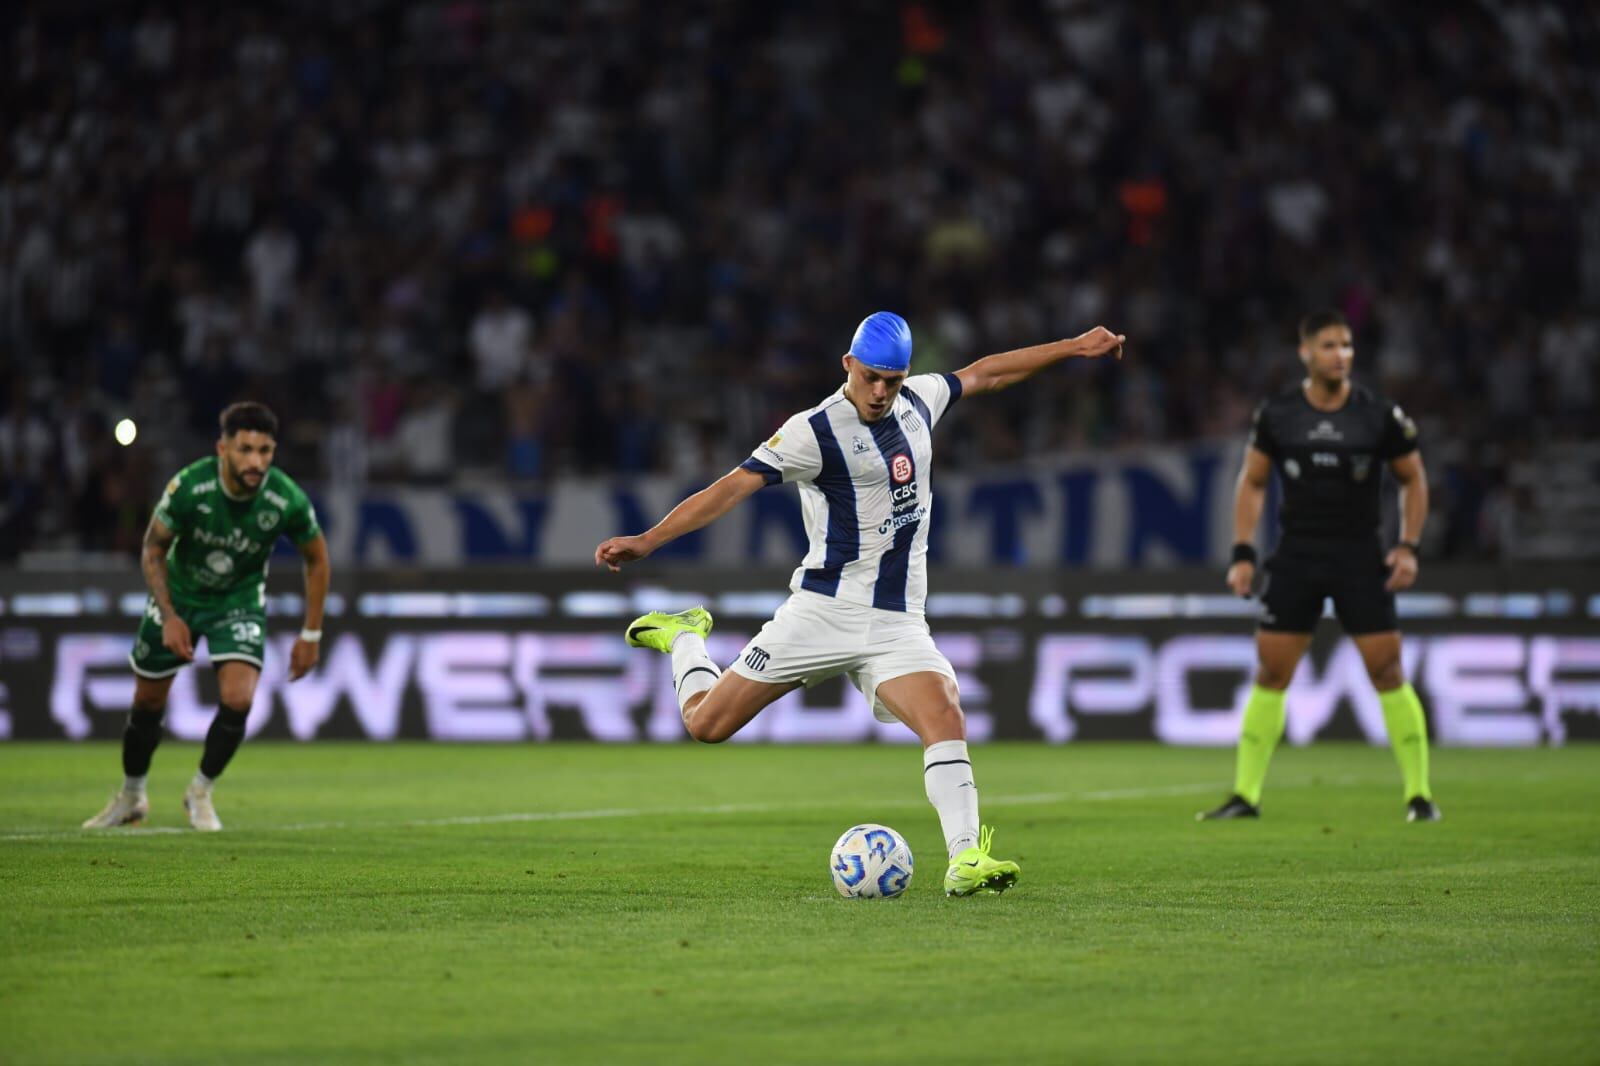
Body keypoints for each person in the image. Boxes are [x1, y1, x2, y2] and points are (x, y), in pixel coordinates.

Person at [595, 312, 1126, 895]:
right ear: (848, 365)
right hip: (822, 612)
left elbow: (986, 374)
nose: (880, 392)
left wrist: (1073, 346)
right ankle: (686, 635)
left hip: (897, 622)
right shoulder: (812, 430)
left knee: (944, 714)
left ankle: (965, 857)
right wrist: (648, 540)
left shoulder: (919, 402)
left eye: (891, 381)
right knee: (707, 724)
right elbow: (730, 489)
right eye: (870, 377)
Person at [1199, 311, 1440, 823]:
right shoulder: (1279, 414)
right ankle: (1245, 796)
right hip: (1297, 556)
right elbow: (1253, 481)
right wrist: (1243, 553)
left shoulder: (1378, 414)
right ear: (1305, 352)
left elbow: (1413, 479)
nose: (1341, 355)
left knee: (1388, 670)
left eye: (1347, 345)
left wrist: (1409, 546)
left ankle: (1419, 796)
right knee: (1271, 671)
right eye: (1329, 345)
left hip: (1359, 556)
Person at [83, 402, 330, 831]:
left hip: (238, 601)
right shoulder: (190, 487)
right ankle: (131, 795)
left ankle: (200, 791)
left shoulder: (284, 498)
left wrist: (311, 632)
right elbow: (153, 549)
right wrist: (170, 615)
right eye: (246, 449)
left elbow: (317, 558)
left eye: (266, 450)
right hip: (178, 595)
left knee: (239, 699)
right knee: (148, 700)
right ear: (223, 449)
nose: (257, 461)